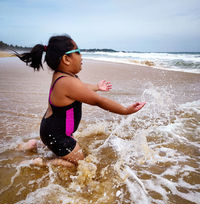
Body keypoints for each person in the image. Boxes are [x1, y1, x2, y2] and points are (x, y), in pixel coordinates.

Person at [16, 35, 145, 167]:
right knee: (79, 164)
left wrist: (96, 87)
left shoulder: (63, 77)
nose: (81, 56)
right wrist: (125, 110)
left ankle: (34, 145)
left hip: (50, 129)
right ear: (66, 59)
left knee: (54, 144)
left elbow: (81, 88)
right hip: (58, 135)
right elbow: (98, 101)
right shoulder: (67, 82)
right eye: (77, 52)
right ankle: (41, 162)